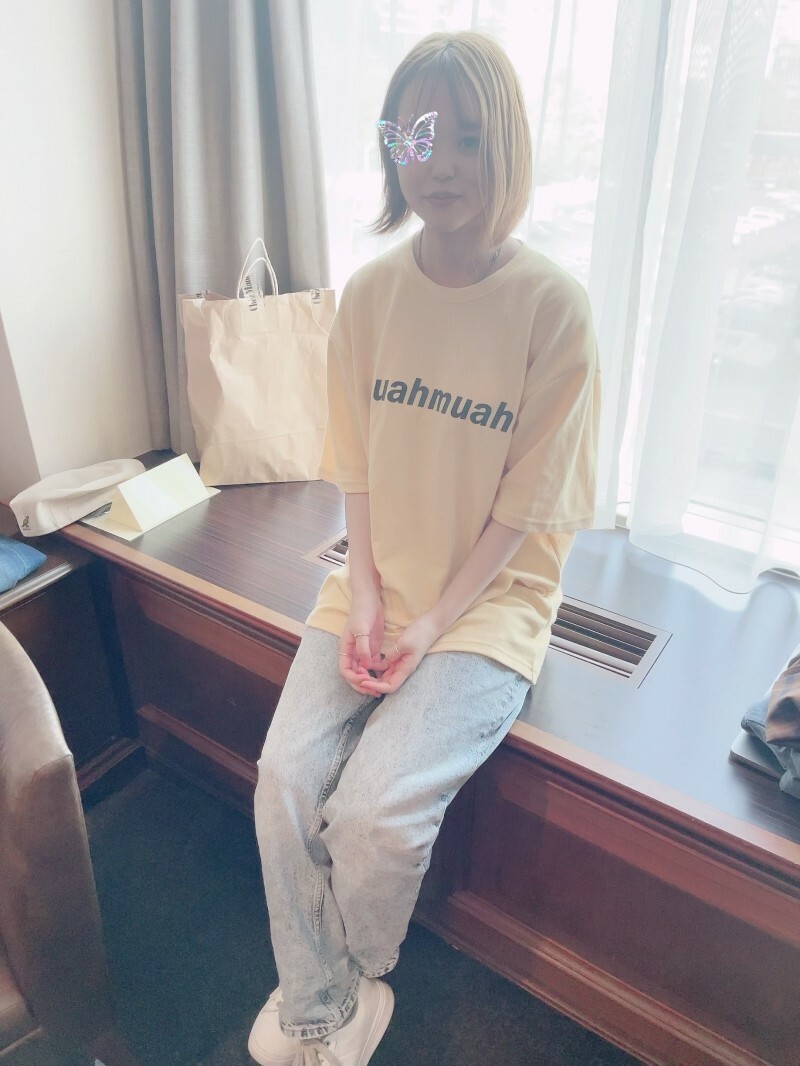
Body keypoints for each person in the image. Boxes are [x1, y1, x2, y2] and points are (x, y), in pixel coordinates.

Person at [248, 29, 600, 1066]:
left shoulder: (552, 309)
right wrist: (362, 593)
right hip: (371, 581)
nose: (439, 164)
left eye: (470, 139)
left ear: (509, 148)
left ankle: (352, 978)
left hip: (489, 604)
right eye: (417, 137)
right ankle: (319, 1000)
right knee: (282, 780)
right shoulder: (368, 295)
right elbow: (355, 466)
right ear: (391, 147)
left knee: (372, 817)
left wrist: (431, 622)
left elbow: (528, 507)